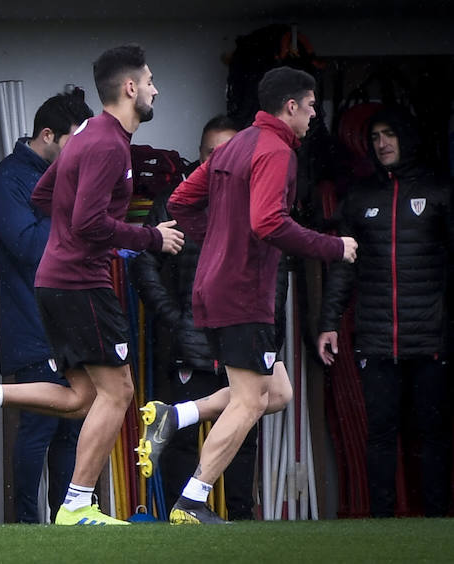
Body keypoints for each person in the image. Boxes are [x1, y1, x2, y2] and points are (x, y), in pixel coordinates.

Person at [0, 43, 185, 526]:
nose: (155, 89)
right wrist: (150, 236)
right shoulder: (107, 143)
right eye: (150, 81)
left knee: (81, 397)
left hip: (61, 281)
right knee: (119, 392)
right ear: (130, 88)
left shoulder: (89, 136)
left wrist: (72, 233)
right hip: (80, 284)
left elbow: (47, 193)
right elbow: (87, 221)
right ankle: (75, 506)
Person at [165, 66, 358, 524]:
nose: (314, 116)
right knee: (250, 400)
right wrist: (333, 246)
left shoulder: (234, 146)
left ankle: (176, 417)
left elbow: (179, 202)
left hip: (212, 290)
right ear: (290, 106)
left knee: (279, 391)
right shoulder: (275, 151)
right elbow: (268, 223)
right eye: (311, 106)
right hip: (243, 294)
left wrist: (217, 242)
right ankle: (192, 502)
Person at [317, 105, 454, 518]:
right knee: (380, 434)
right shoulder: (360, 198)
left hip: (430, 338)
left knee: (431, 435)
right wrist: (328, 323)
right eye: (375, 137)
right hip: (376, 338)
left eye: (390, 134)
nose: (382, 144)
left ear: (407, 137)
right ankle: (380, 523)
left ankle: (436, 521)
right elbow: (343, 267)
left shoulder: (439, 192)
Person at [130, 115, 263, 520]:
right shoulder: (176, 201)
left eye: (227, 153)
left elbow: (273, 275)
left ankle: (240, 519)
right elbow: (143, 263)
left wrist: (267, 329)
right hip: (191, 342)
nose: (219, 161)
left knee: (244, 432)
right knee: (184, 440)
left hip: (242, 339)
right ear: (200, 156)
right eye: (211, 154)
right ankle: (180, 516)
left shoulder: (257, 202)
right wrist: (173, 317)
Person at [0, 87, 94, 523]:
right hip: (31, 327)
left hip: (75, 323)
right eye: (75, 143)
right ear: (47, 135)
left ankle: (67, 519)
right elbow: (29, 246)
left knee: (72, 428)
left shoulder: (71, 178)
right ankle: (25, 525)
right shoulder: (8, 180)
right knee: (38, 429)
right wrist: (65, 201)